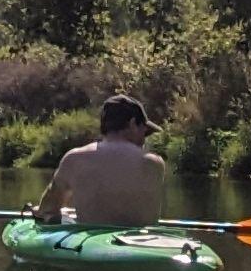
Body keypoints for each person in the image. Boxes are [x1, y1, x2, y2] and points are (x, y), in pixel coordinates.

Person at [35, 95, 175, 230]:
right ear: (132, 124)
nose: (144, 140)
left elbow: (47, 209)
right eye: (144, 132)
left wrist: (58, 215)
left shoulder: (74, 159)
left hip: (91, 244)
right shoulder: (154, 163)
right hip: (142, 243)